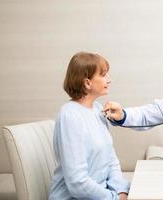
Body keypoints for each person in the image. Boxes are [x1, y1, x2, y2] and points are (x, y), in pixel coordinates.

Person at [49, 52, 130, 200]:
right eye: (104, 75)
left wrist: (121, 191)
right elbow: (77, 183)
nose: (109, 80)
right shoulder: (70, 116)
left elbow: (110, 160)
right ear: (87, 83)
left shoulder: (99, 110)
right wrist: (113, 198)